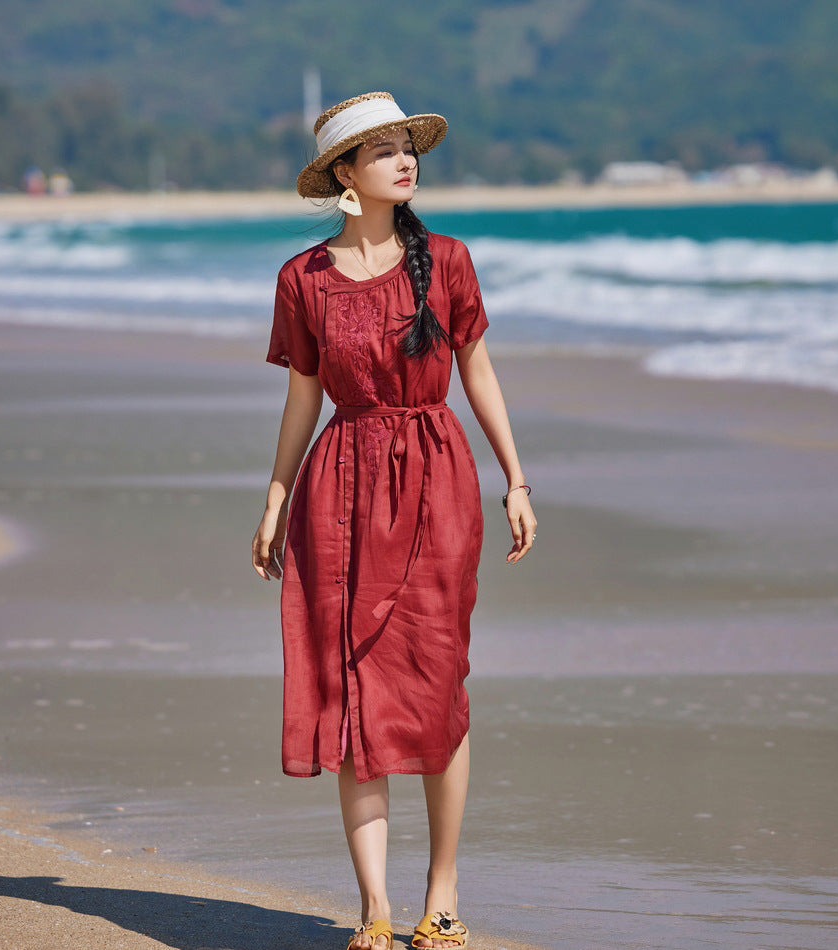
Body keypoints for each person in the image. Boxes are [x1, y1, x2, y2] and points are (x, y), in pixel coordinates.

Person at [251, 91, 536, 950]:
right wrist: (274, 497)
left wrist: (517, 480)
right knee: (350, 693)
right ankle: (373, 908)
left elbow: (478, 373)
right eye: (382, 151)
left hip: (436, 481)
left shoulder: (446, 260)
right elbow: (304, 395)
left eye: (408, 146)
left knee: (438, 685)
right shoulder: (302, 279)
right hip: (338, 490)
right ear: (346, 173)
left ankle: (441, 896)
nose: (404, 160)